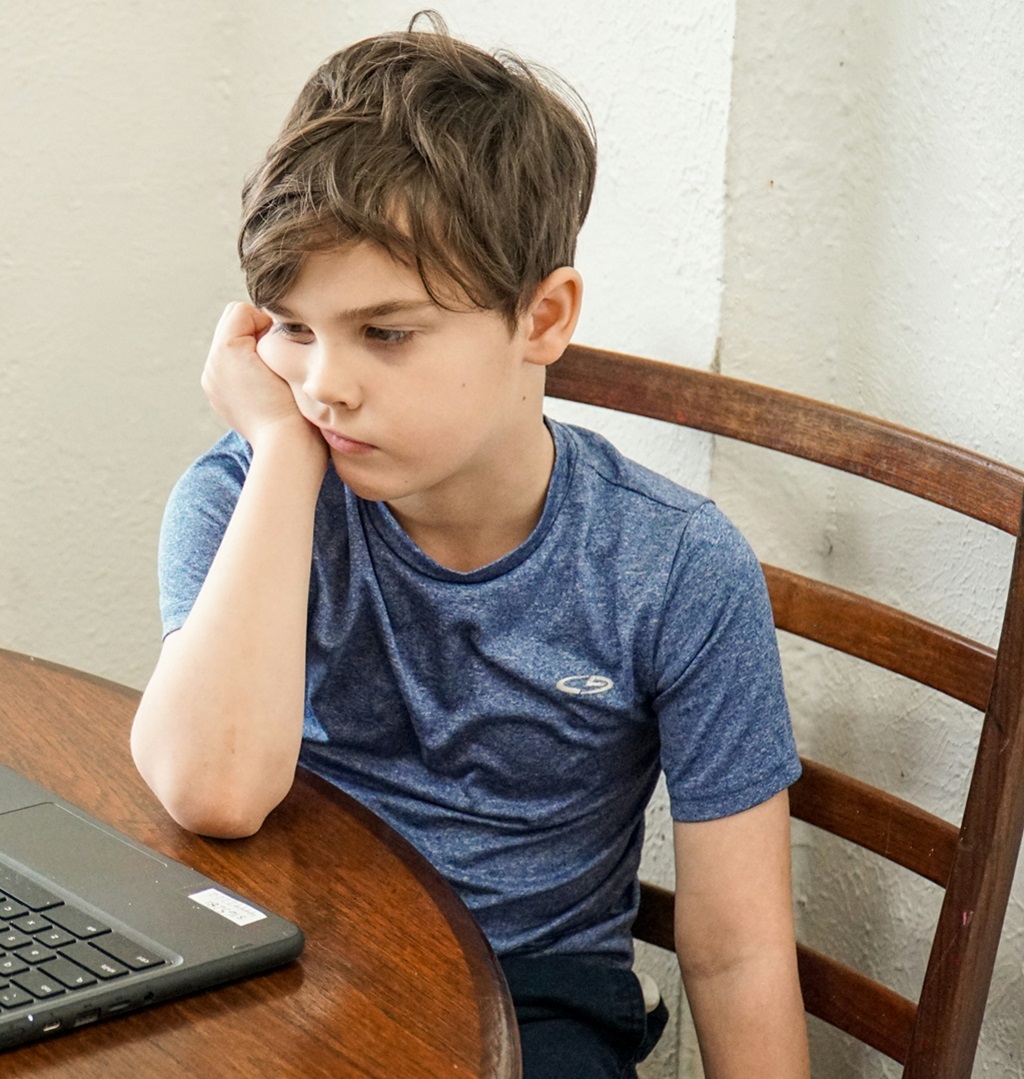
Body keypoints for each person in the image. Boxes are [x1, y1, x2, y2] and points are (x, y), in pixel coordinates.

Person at [129, 14, 811, 1078]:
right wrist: (278, 456)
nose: (324, 384)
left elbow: (738, 953)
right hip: (285, 966)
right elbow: (210, 788)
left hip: (530, 998)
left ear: (542, 318)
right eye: (292, 328)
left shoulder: (676, 569)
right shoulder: (244, 495)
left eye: (385, 333)